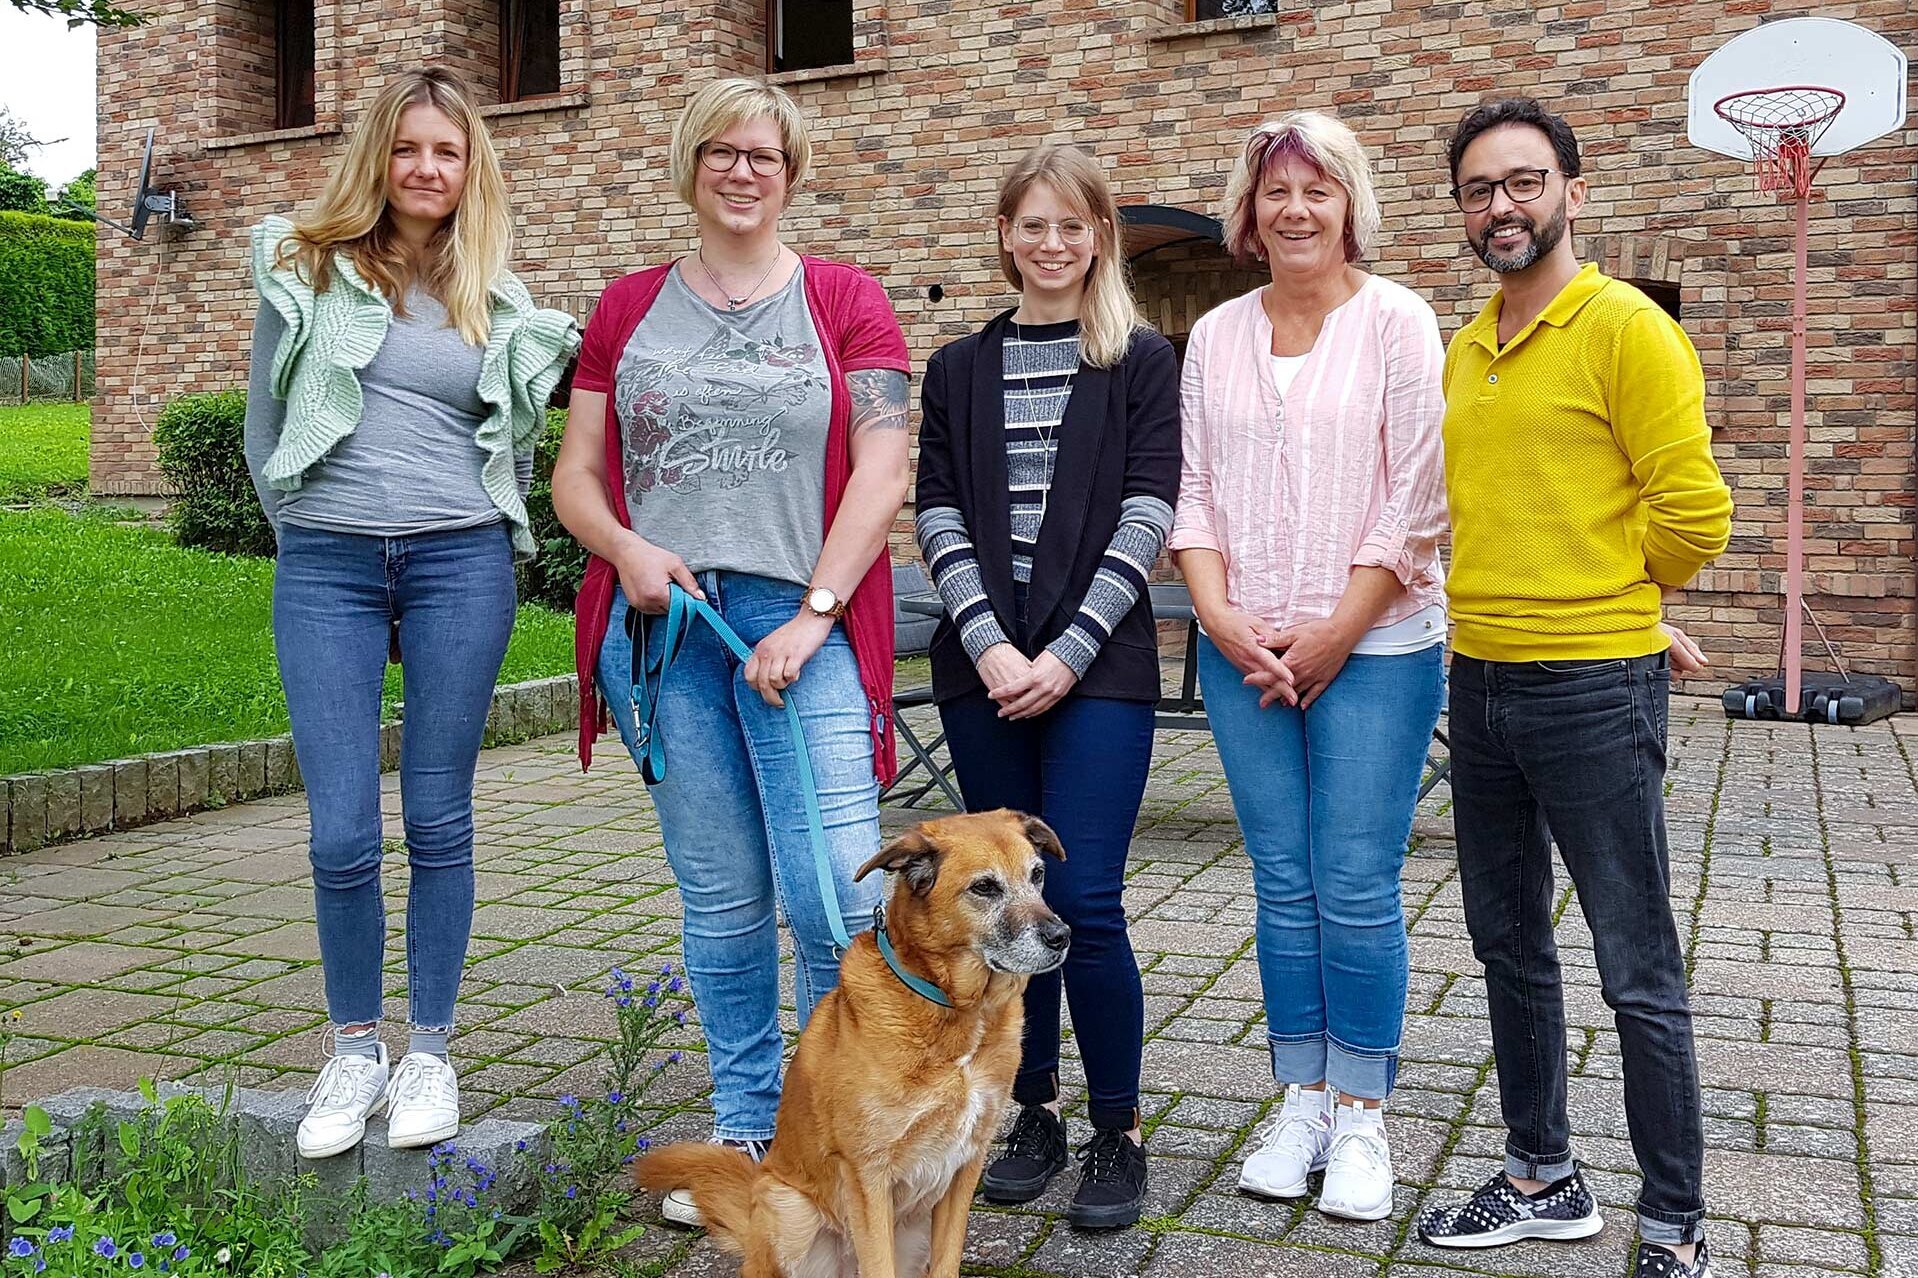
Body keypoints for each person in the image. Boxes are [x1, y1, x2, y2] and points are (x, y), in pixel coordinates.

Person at [550, 77, 911, 1228]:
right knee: (721, 898)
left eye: (764, 154)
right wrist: (627, 548)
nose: (743, 171)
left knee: (831, 894)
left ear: (791, 172)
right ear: (689, 165)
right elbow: (576, 476)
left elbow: (886, 467)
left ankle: (834, 1132)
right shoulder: (625, 309)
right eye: (722, 152)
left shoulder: (845, 301)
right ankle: (752, 1127)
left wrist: (812, 614)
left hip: (800, 619)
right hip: (666, 630)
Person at [1412, 98, 1732, 1278]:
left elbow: (1693, 511)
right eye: (1480, 189)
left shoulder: (1626, 330)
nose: (1502, 205)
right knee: (1507, 944)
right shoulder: (1465, 342)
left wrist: (1618, 604)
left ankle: (1674, 1227)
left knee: (1633, 964)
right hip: (1479, 679)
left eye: (1524, 182)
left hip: (1593, 687)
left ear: (1572, 194)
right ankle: (1542, 1178)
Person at [243, 68, 580, 1160]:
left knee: (439, 819)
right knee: (341, 827)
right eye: (408, 149)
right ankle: (353, 1049)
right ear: (377, 158)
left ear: (469, 166)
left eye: (448, 151)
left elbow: (518, 443)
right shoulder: (304, 264)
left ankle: (429, 1049)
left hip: (458, 564)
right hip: (328, 565)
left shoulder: (500, 297)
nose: (428, 170)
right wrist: (304, 537)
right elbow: (262, 427)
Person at [1168, 110, 1448, 1224]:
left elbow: (1419, 495)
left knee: (1354, 879)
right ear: (1248, 211)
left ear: (1349, 205)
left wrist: (1336, 625)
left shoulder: (1396, 322)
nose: (1294, 210)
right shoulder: (1215, 335)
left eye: (1316, 190)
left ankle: (1365, 1115)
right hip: (1243, 648)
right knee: (1280, 881)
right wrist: (1220, 615)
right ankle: (1299, 1099)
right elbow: (1190, 491)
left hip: (1373, 644)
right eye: (1275, 191)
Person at [912, 143, 1180, 1231]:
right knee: (1007, 912)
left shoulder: (1141, 362)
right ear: (1005, 236)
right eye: (1032, 224)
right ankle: (1034, 1107)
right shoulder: (957, 369)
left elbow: (1149, 512)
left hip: (1098, 672)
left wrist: (1065, 653)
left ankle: (1116, 1130)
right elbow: (934, 512)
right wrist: (986, 643)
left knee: (1086, 902)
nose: (1052, 245)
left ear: (1100, 237)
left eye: (1073, 226)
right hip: (985, 674)